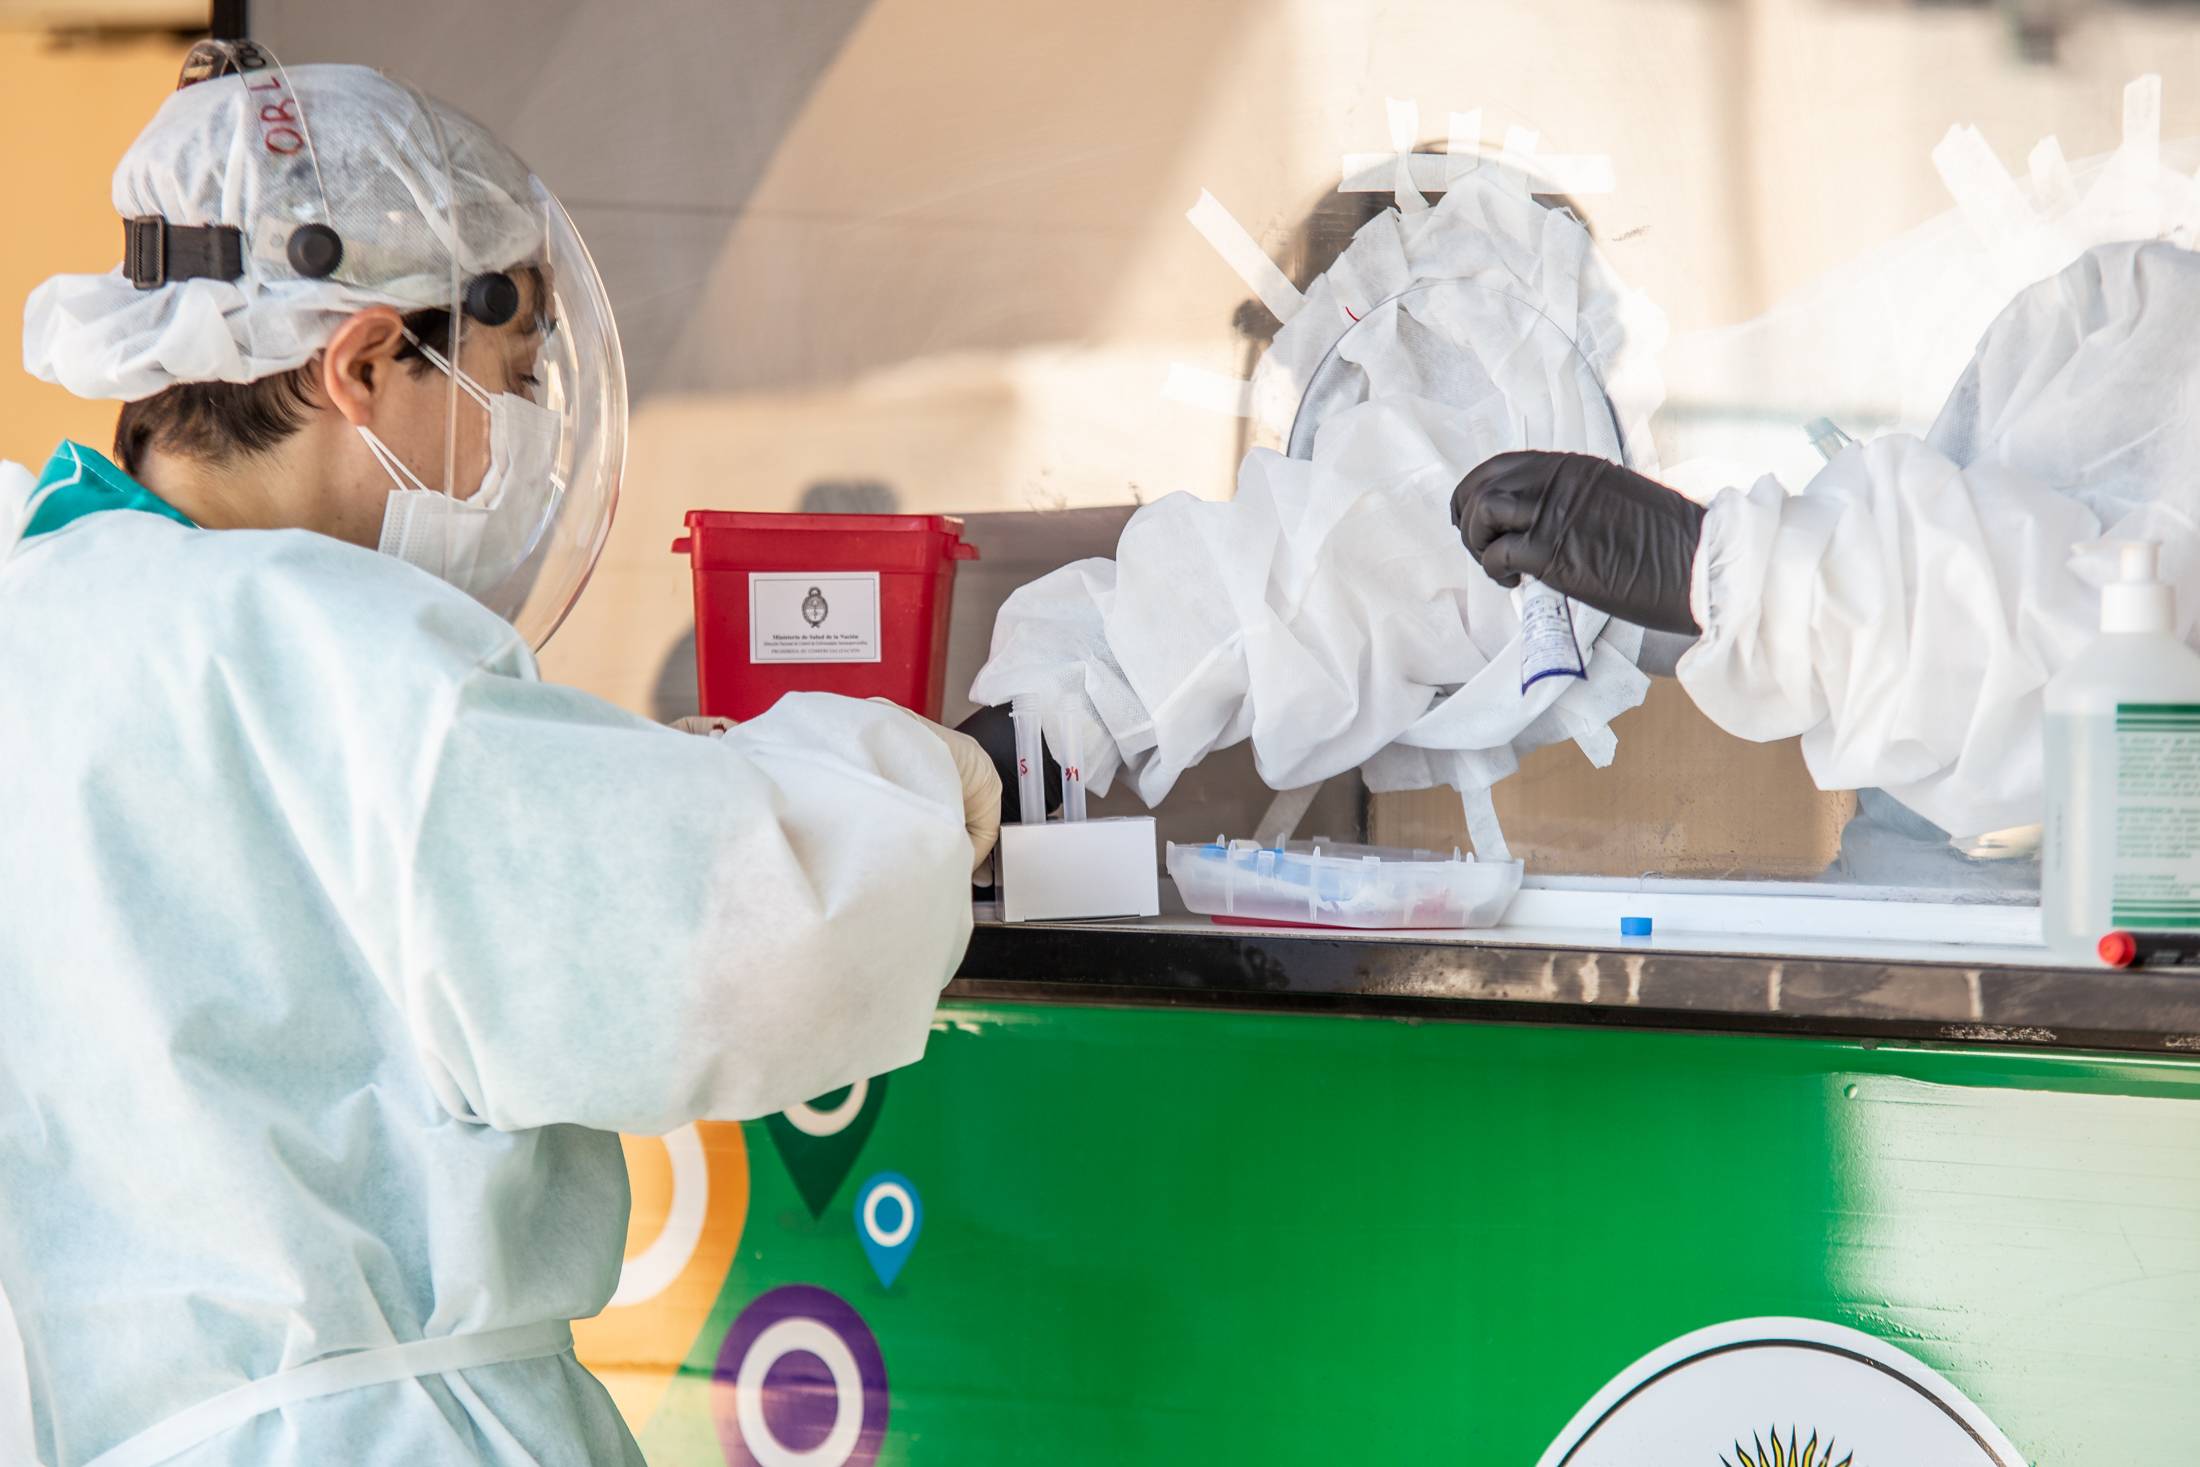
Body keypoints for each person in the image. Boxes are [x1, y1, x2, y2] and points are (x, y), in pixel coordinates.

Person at [0, 44, 997, 1467]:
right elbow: (739, 940)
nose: (519, 436)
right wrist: (931, 781)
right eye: (510, 377)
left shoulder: (46, 607)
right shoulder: (325, 649)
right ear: (360, 364)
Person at [1450, 238, 2200, 848]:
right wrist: (1699, 589)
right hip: (1934, 925)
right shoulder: (2098, 318)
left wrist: (1719, 573)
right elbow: (1956, 597)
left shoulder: (2160, 333)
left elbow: (2070, 654)